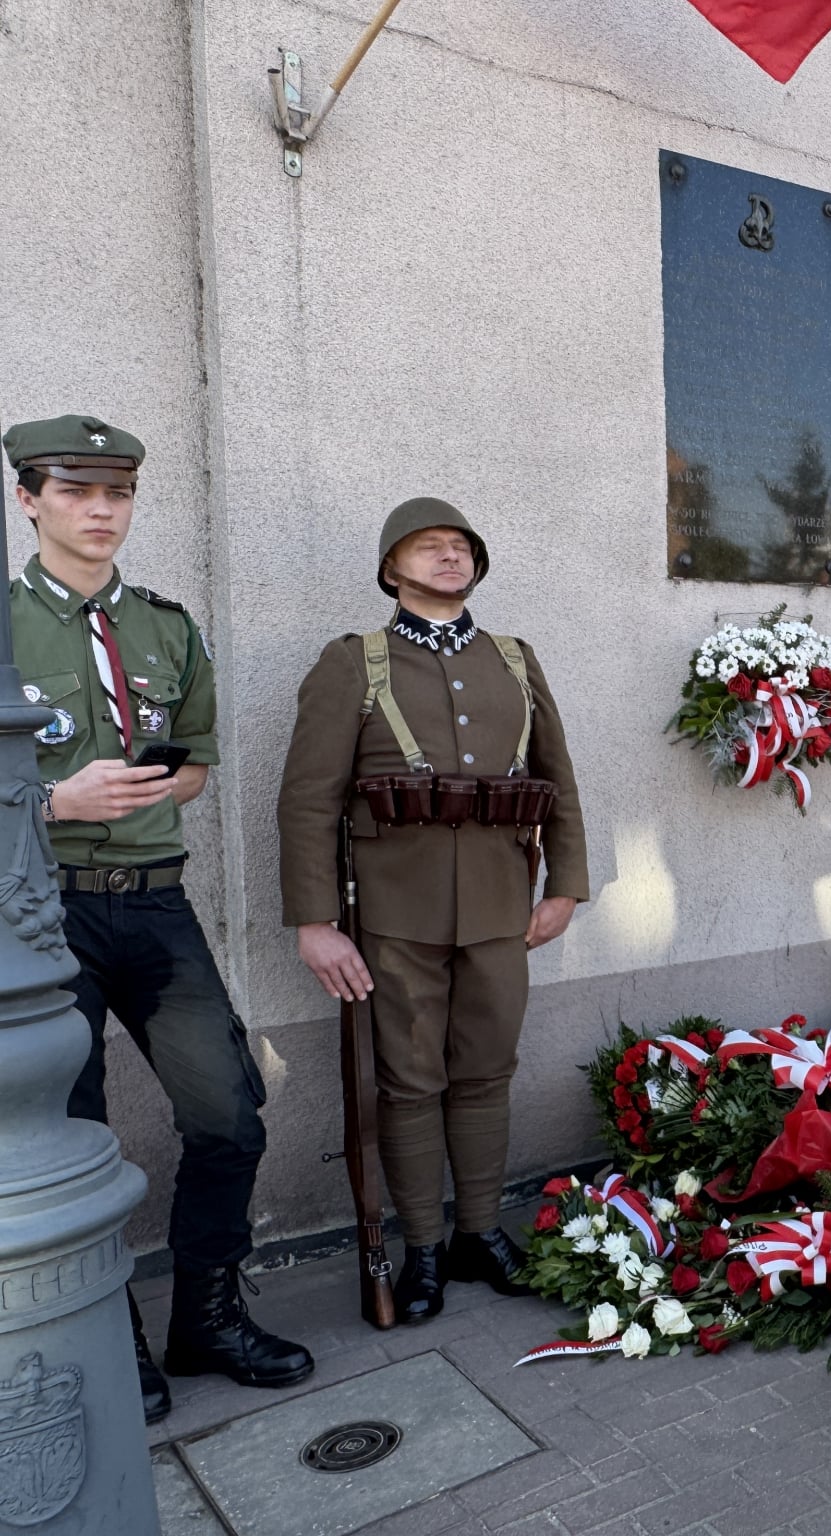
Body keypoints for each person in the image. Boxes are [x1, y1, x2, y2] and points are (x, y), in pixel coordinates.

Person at [2, 414, 312, 1421]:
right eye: (76, 491)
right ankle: (110, 1338)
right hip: (42, 916)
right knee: (72, 1135)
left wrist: (152, 785)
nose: (101, 511)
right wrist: (57, 801)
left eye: (119, 493)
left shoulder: (166, 628)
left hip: (157, 905)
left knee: (228, 1114)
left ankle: (207, 1320)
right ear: (28, 498)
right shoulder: (5, 624)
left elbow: (195, 765)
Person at [277, 498, 588, 1325]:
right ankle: (421, 1248)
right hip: (394, 911)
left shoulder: (515, 660)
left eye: (460, 546)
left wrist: (565, 885)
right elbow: (308, 800)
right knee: (410, 1083)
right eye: (427, 547)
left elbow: (557, 779)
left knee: (487, 1072)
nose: (449, 556)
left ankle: (478, 1233)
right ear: (391, 569)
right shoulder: (354, 663)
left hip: (499, 905)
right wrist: (315, 921)